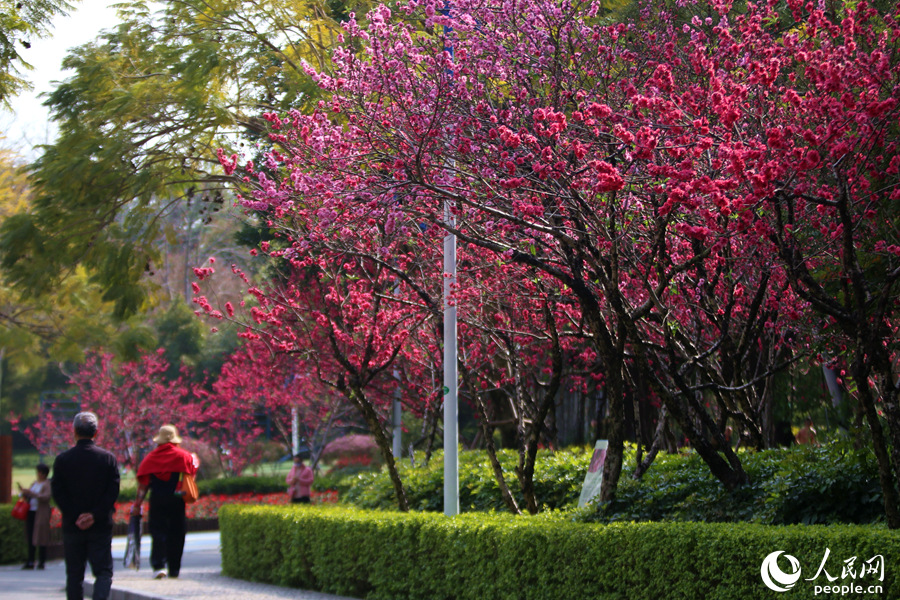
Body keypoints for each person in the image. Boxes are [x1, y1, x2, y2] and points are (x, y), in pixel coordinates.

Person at [51, 412, 120, 600]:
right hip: (100, 525)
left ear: (74, 431)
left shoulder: (63, 460)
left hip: (73, 526)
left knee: (74, 574)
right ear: (96, 432)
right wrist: (94, 515)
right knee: (103, 572)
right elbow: (112, 492)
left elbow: (58, 492)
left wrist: (76, 515)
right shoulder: (107, 459)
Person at [131, 425, 199, 580]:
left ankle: (159, 566)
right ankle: (174, 568)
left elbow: (143, 485)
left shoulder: (151, 458)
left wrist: (137, 504)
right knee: (177, 532)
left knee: (158, 532)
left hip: (157, 499)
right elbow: (192, 473)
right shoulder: (184, 456)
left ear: (159, 441)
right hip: (177, 499)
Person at [17, 463, 52, 570]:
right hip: (31, 511)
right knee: (30, 534)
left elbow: (46, 497)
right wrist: (25, 492)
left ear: (43, 473)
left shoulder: (47, 484)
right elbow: (30, 494)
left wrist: (33, 494)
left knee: (41, 535)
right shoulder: (35, 483)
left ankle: (41, 561)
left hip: (41, 513)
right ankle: (30, 560)